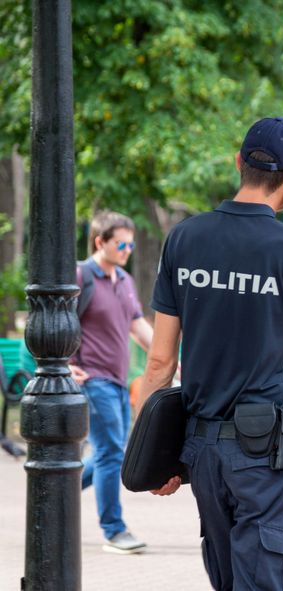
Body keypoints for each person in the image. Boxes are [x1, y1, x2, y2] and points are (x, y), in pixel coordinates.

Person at [137, 117, 283, 590]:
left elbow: (160, 362)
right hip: (264, 456)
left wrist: (151, 454)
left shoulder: (184, 238)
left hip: (202, 452)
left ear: (238, 164)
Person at [69, 211, 155, 554]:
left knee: (112, 453)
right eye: (121, 243)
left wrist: (173, 360)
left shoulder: (124, 280)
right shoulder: (79, 275)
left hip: (119, 381)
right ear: (99, 242)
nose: (127, 249)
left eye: (131, 244)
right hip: (92, 379)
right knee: (109, 453)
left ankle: (52, 490)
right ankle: (114, 530)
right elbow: (49, 321)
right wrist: (62, 365)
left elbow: (137, 327)